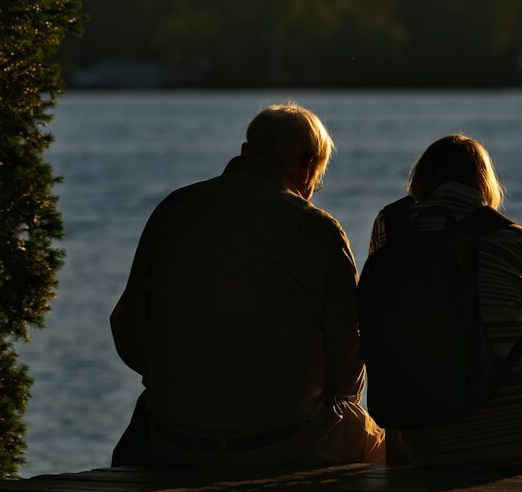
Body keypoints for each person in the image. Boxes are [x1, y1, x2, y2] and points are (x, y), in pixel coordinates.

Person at [110, 103, 384, 469]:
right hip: (282, 445)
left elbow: (126, 327)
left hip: (172, 440)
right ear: (307, 166)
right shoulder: (318, 230)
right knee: (384, 444)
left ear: (246, 152)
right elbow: (346, 370)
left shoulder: (175, 210)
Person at [363, 134, 522, 470]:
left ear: (421, 180)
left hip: (431, 443)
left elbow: (381, 329)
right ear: (484, 183)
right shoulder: (520, 240)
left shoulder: (390, 228)